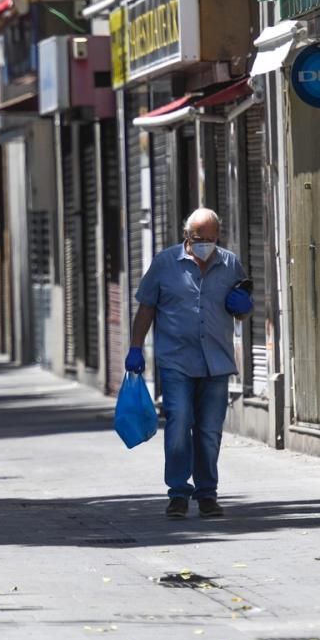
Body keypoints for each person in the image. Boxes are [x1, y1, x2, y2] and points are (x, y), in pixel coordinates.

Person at [127, 208, 253, 519]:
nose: (205, 245)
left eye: (210, 239)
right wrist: (135, 348)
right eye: (199, 239)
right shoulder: (165, 264)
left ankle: (207, 494)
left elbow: (241, 310)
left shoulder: (230, 264)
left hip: (217, 362)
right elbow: (146, 308)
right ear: (187, 237)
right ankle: (178, 494)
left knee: (210, 431)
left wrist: (244, 308)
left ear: (218, 236)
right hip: (177, 361)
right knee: (180, 424)